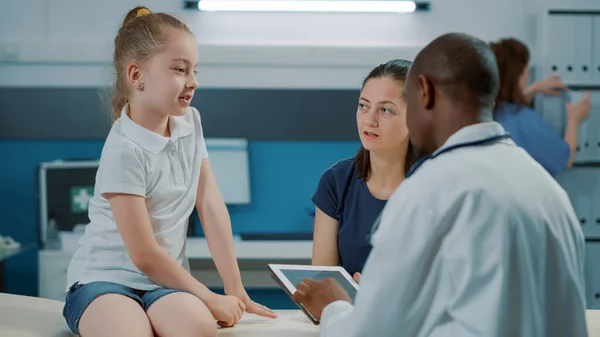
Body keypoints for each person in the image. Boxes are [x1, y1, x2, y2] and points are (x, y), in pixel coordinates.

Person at [293, 32, 587, 337]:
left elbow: (370, 332)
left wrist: (335, 307)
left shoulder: (427, 191)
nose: (370, 119)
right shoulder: (549, 190)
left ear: (425, 92)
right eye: (364, 106)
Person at [63, 7, 276, 337]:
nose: (193, 82)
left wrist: (234, 288)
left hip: (163, 283)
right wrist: (208, 296)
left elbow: (210, 204)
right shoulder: (124, 149)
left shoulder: (190, 123)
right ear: (137, 76)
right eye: (180, 69)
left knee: (198, 328)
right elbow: (145, 254)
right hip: (104, 280)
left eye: (194, 70)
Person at [311, 60, 416, 283]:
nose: (369, 120)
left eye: (385, 110)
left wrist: (379, 294)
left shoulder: (438, 185)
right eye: (363, 106)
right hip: (348, 314)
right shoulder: (336, 182)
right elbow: (322, 284)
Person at [490, 38, 591, 175]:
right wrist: (574, 119)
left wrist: (532, 89)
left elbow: (507, 108)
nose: (527, 77)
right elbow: (565, 158)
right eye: (526, 73)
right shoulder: (526, 121)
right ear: (518, 76)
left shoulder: (485, 112)